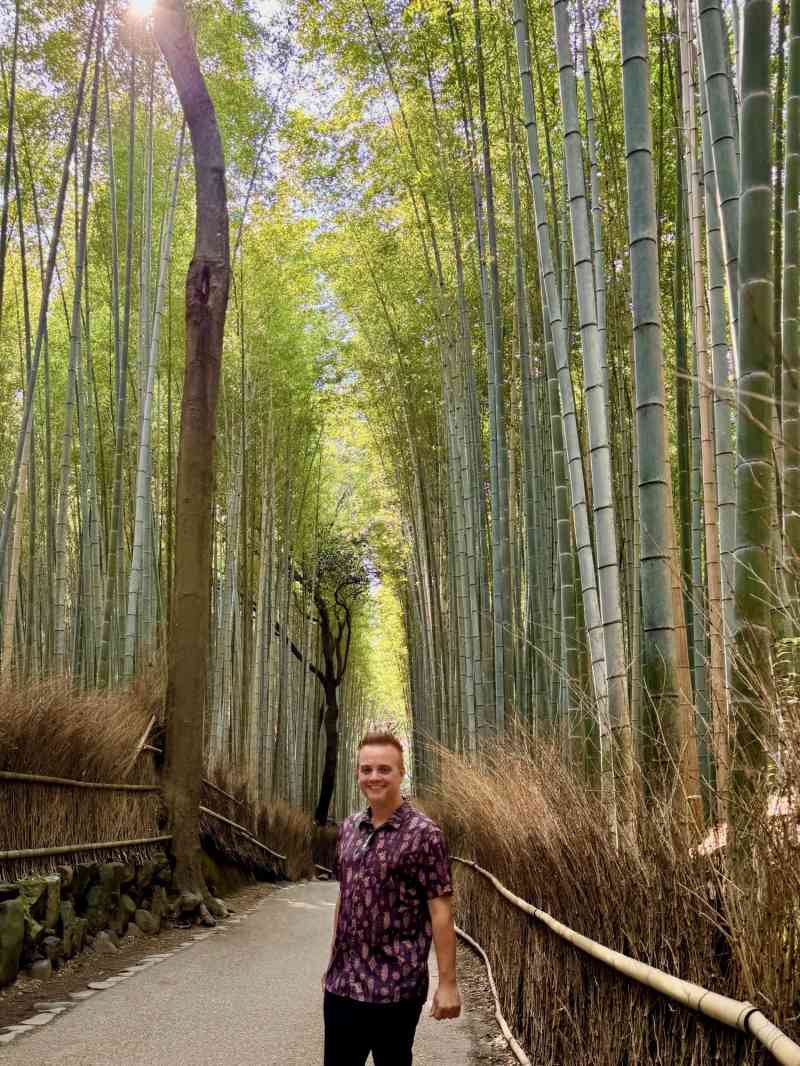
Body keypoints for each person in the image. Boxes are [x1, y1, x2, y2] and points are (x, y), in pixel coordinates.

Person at [322, 730, 462, 1066]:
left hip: (396, 989)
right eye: (366, 769)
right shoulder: (349, 828)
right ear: (357, 773)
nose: (374, 777)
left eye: (384, 769)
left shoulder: (424, 834)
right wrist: (332, 962)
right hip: (343, 986)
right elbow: (346, 895)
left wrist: (448, 984)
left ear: (401, 773)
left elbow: (440, 911)